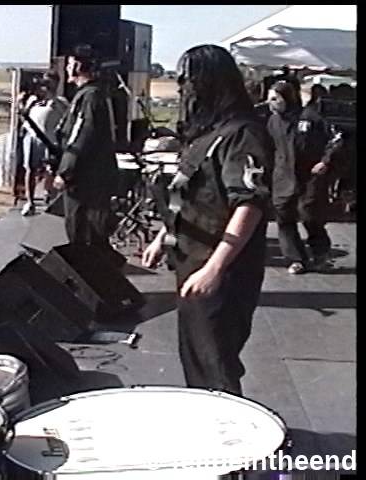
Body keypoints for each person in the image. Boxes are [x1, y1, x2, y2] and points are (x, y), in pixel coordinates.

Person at [141, 45, 274, 396]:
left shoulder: (243, 134)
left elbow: (249, 205)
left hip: (222, 272)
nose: (183, 89)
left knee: (216, 365)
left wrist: (215, 268)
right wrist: (162, 237)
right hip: (190, 262)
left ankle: (229, 426)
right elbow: (192, 196)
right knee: (197, 361)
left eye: (189, 80)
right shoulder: (209, 135)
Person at [53, 44, 118, 250]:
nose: (66, 69)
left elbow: (81, 136)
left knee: (82, 233)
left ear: (78, 66)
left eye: (69, 64)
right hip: (88, 179)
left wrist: (65, 171)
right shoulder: (90, 95)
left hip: (86, 181)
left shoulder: (90, 97)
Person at [266, 81, 333, 274]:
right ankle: (296, 258)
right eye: (270, 99)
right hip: (282, 176)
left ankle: (320, 253)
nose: (271, 103)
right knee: (284, 218)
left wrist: (325, 161)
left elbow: (333, 140)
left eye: (275, 99)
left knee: (309, 215)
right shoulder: (273, 122)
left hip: (308, 175)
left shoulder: (310, 118)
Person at [21, 71, 69, 216]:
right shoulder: (33, 100)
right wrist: (22, 103)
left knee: (51, 170)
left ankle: (49, 196)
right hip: (33, 137)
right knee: (30, 169)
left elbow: (67, 117)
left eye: (50, 82)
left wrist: (53, 99)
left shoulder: (60, 101)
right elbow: (22, 114)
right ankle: (30, 202)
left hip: (50, 140)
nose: (47, 85)